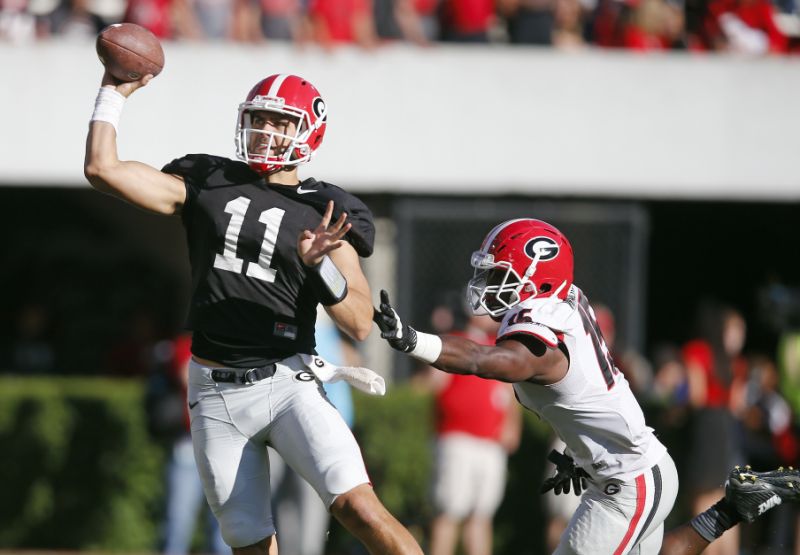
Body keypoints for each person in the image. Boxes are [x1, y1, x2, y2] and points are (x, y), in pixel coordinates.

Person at [84, 70, 423, 555]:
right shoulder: (208, 179)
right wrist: (112, 92)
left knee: (360, 509)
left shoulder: (326, 208)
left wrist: (319, 266)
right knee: (249, 544)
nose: (265, 130)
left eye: (279, 122)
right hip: (215, 393)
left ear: (308, 132)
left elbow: (359, 321)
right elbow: (102, 169)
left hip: (289, 383)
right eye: (258, 118)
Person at [371, 217, 800, 554]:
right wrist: (584, 453)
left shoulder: (541, 334)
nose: (489, 285)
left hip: (626, 480)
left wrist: (413, 340)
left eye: (501, 274)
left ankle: (730, 509)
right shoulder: (562, 303)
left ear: (537, 279)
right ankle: (730, 509)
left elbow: (490, 361)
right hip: (634, 466)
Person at [422, 310, 521, 555]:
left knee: (481, 516)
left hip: (490, 443)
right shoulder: (454, 340)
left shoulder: (498, 346)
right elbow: (432, 383)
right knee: (449, 512)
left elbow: (509, 392)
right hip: (457, 438)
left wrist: (512, 424)